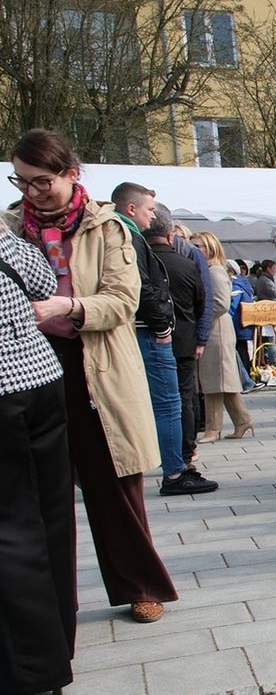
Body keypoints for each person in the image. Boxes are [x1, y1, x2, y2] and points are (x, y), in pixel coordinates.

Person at [9, 128, 177, 624]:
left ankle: (140, 585)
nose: (32, 193)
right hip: (28, 363)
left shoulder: (109, 227)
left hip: (95, 365)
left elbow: (123, 302)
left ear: (71, 173)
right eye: (21, 182)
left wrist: (69, 306)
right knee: (38, 490)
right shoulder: (9, 227)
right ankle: (50, 600)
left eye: (42, 182)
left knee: (115, 483)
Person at [0, 229, 75, 695]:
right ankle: (54, 654)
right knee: (50, 518)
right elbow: (44, 277)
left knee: (11, 528)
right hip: (41, 378)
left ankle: (26, 669)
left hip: (7, 388)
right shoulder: (8, 240)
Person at [109, 182, 188, 494]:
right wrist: (162, 328)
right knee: (167, 403)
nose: (152, 216)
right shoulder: (128, 237)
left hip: (138, 330)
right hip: (148, 332)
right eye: (149, 209)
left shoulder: (120, 235)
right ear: (131, 209)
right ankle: (174, 473)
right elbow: (141, 286)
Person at [143, 206, 216, 494]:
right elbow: (203, 302)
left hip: (152, 336)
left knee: (159, 402)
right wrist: (199, 336)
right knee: (182, 399)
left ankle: (165, 457)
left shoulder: (140, 261)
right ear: (171, 236)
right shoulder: (187, 264)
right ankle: (184, 456)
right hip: (183, 339)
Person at [192, 231, 253, 442]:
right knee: (222, 381)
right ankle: (242, 420)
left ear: (210, 248)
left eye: (198, 246)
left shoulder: (214, 271)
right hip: (216, 329)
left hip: (215, 330)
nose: (194, 249)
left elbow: (220, 304)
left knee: (214, 382)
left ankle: (213, 428)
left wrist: (200, 320)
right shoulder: (210, 269)